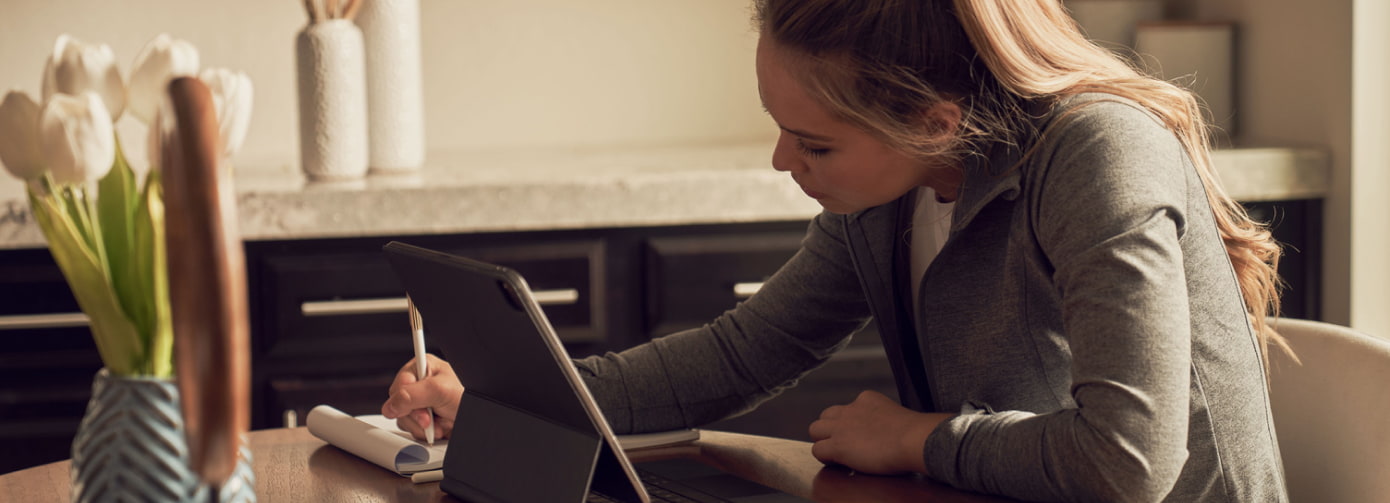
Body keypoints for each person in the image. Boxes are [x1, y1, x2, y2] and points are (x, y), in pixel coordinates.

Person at [381, 1, 1290, 501]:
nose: (785, 162)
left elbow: (1127, 464)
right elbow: (744, 351)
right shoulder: (890, 193)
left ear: (936, 121)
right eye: (782, 129)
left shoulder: (1096, 153)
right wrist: (507, 397)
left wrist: (918, 439)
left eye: (815, 144)